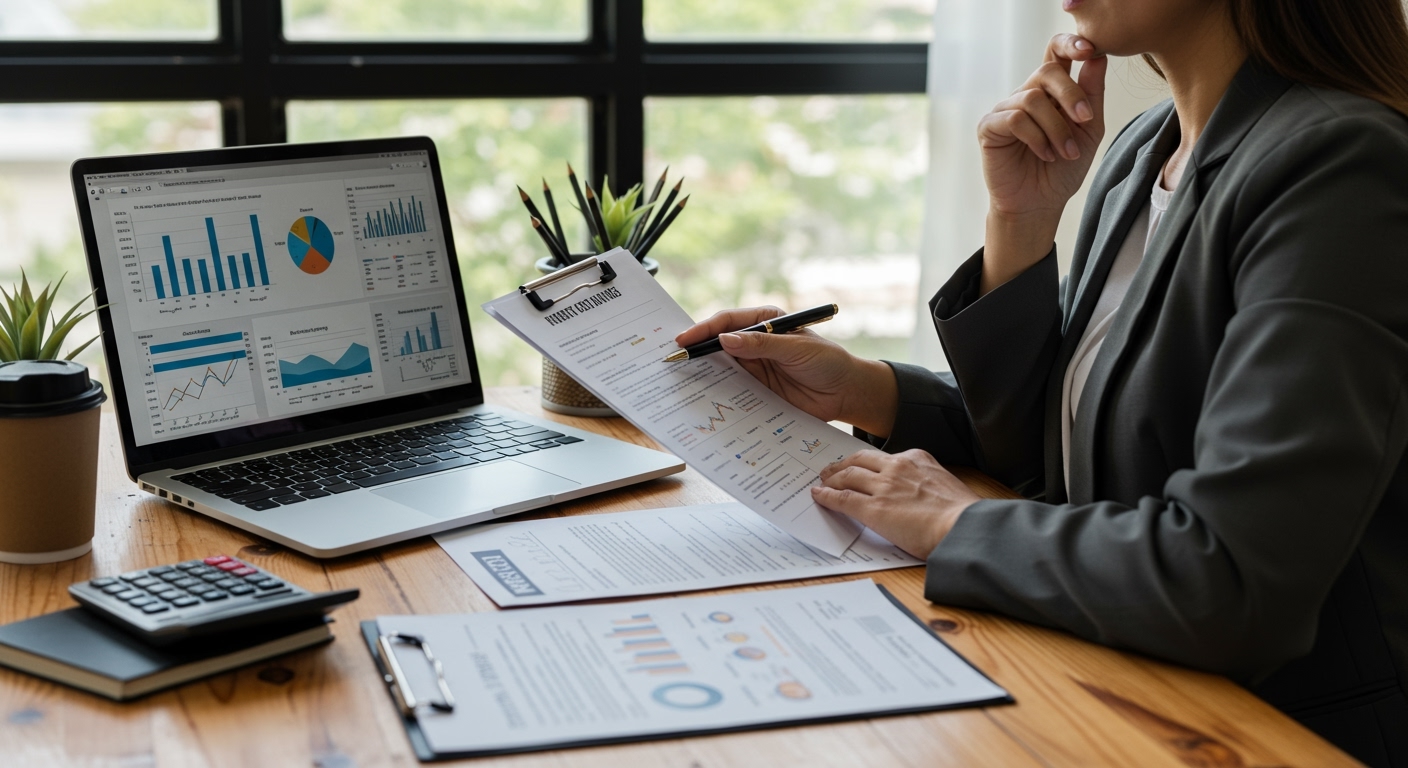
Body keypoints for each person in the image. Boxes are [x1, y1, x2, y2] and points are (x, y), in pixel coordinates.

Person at [676, 0, 1408, 763]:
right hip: (1117, 688)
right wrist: (872, 383)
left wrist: (955, 525)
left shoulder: (1341, 167)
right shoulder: (1143, 152)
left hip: (1276, 734)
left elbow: (1229, 580)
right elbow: (1066, 459)